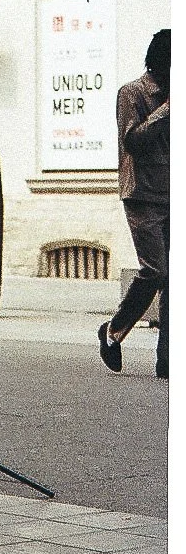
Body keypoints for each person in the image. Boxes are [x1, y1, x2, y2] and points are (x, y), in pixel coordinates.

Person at [98, 28, 170, 379]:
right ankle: (113, 330)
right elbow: (132, 141)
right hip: (143, 194)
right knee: (155, 271)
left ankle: (168, 357)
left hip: (174, 193)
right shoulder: (133, 93)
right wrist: (167, 110)